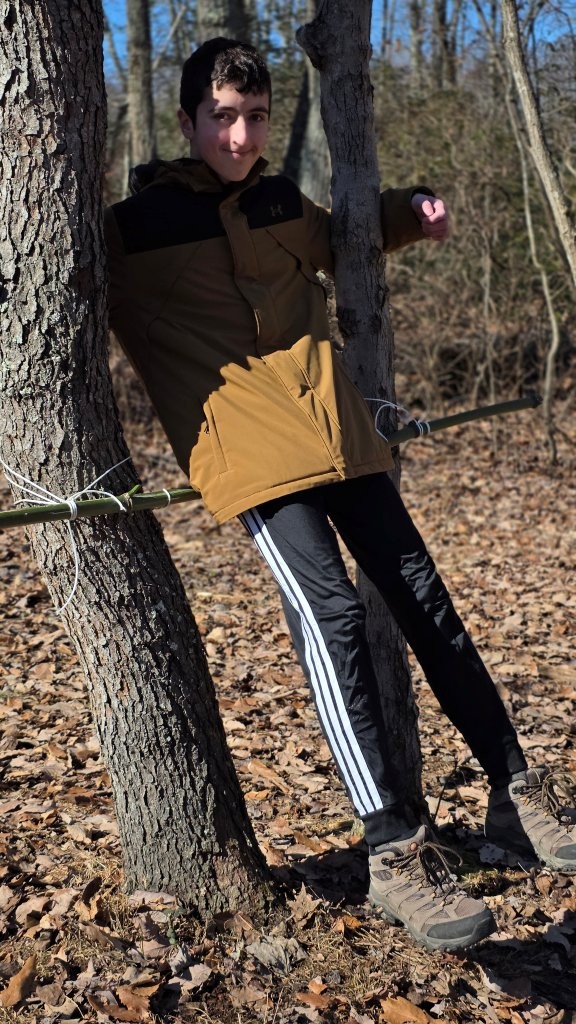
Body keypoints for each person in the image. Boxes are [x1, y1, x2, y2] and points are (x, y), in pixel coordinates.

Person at [105, 37, 576, 952]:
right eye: (222, 118)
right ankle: (393, 850)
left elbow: (346, 237)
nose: (241, 138)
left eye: (255, 118)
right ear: (188, 119)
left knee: (426, 601)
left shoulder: (281, 200)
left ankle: (516, 788)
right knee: (334, 617)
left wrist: (414, 209)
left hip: (339, 431)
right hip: (251, 455)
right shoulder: (134, 227)